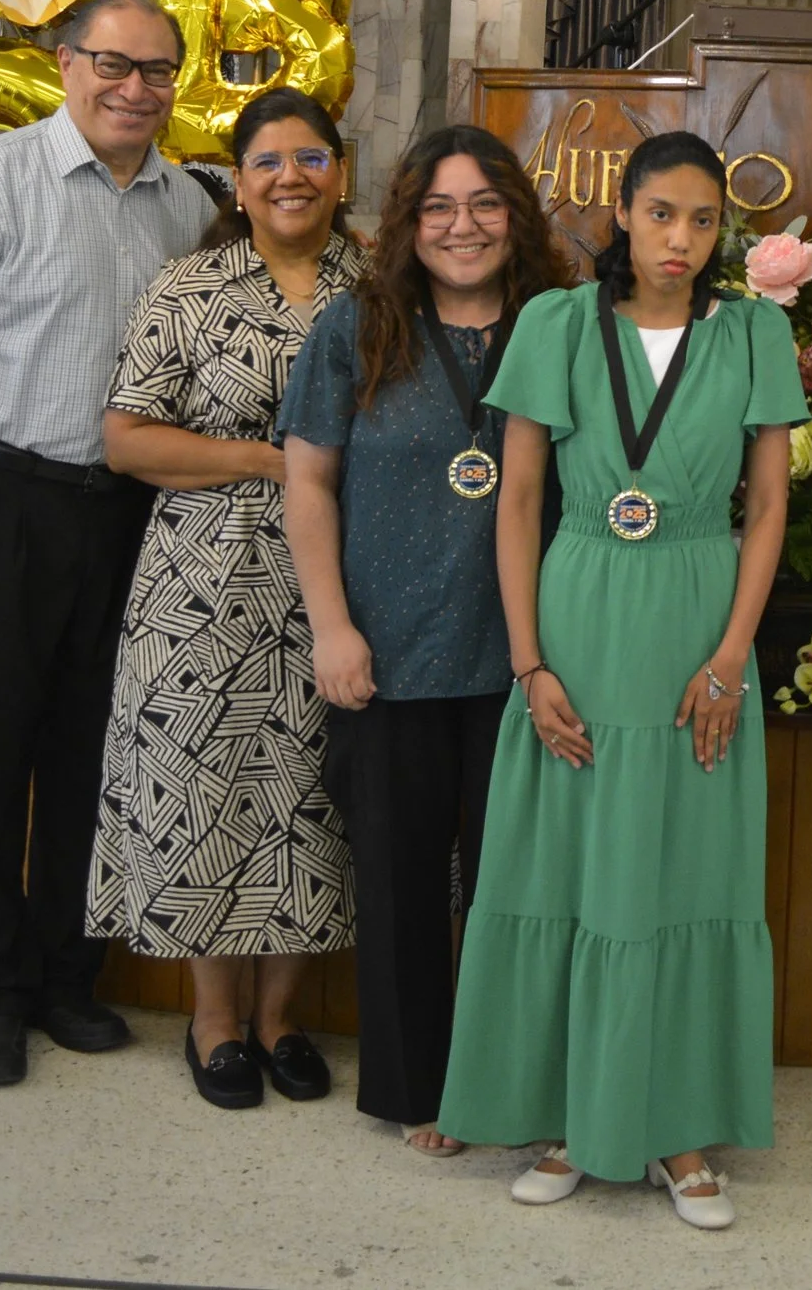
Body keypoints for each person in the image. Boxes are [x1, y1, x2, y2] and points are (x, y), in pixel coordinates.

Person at [438, 131, 806, 1230]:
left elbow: (769, 507)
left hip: (697, 614)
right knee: (569, 867)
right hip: (581, 610)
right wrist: (529, 662)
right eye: (659, 214)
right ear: (624, 214)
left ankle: (677, 1129)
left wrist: (732, 656)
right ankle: (566, 1117)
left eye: (702, 220)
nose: (679, 238)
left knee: (683, 874)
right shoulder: (557, 322)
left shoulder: (751, 332)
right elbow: (517, 501)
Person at [0, 0, 214, 1086]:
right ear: (67, 63)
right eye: (114, 63)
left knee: (93, 754)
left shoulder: (186, 203)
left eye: (156, 70)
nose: (134, 89)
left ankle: (67, 974)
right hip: (0, 501)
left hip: (126, 512)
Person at [279, 125, 571, 1152]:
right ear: (409, 221)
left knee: (514, 887)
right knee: (399, 885)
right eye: (439, 207)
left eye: (485, 203)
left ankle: (505, 1083)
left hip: (527, 658)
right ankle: (417, 1091)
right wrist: (332, 626)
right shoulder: (357, 328)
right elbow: (307, 482)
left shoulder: (561, 324)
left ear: (516, 216)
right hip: (389, 649)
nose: (462, 226)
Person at [85, 86, 364, 1110]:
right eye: (268, 161)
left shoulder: (380, 288)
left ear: (341, 173)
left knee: (308, 796)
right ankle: (213, 1020)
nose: (291, 176)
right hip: (204, 580)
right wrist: (270, 460)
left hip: (340, 582)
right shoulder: (189, 285)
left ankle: (282, 1017)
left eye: (312, 157)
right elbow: (126, 439)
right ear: (237, 185)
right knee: (206, 786)